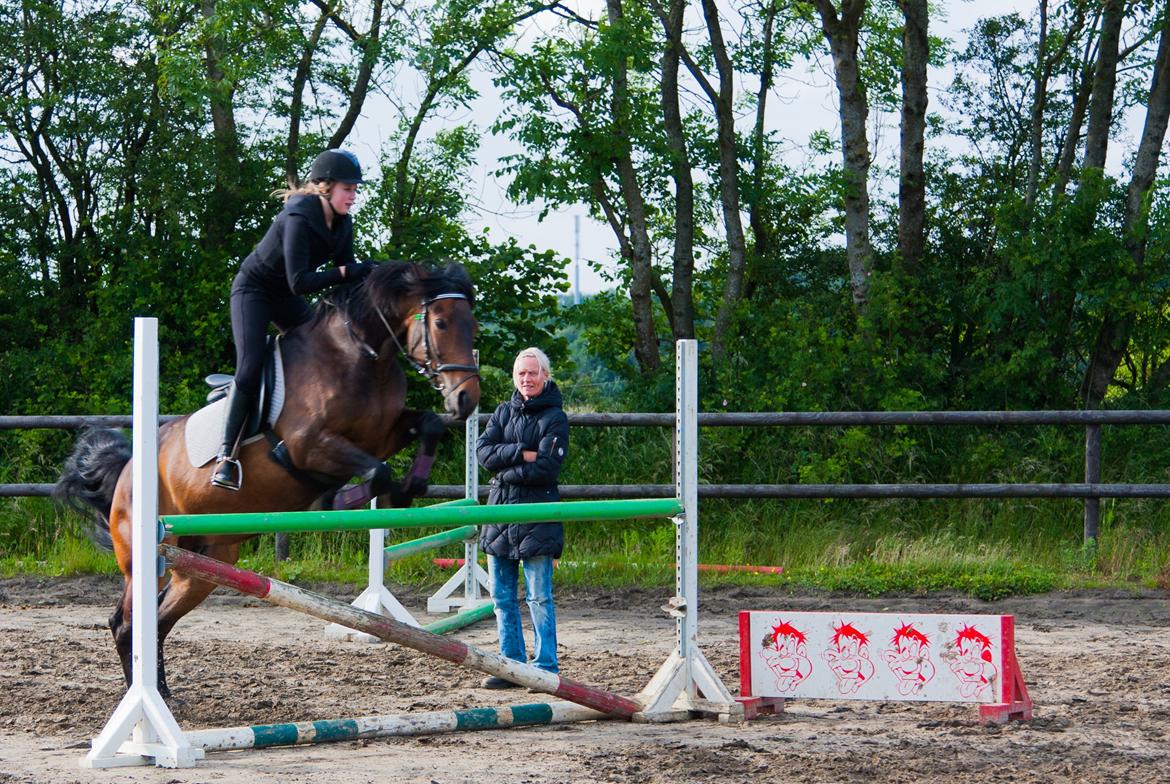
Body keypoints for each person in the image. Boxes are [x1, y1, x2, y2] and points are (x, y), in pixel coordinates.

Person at [211, 149, 376, 491]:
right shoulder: (299, 216)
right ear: (326, 187)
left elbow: (348, 277)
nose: (353, 195)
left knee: (325, 351)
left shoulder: (343, 223)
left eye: (355, 189)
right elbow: (301, 281)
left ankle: (304, 431)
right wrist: (348, 271)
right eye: (348, 189)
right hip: (254, 291)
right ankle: (226, 456)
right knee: (250, 366)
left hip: (285, 296)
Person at [476, 347, 570, 687]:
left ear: (545, 375)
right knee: (502, 599)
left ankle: (545, 667)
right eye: (521, 373)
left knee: (539, 597)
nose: (526, 379)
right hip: (501, 514)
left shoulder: (555, 417)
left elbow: (547, 467)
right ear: (514, 377)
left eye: (532, 373)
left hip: (537, 515)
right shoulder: (503, 411)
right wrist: (522, 453)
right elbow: (483, 453)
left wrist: (504, 470)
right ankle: (511, 665)